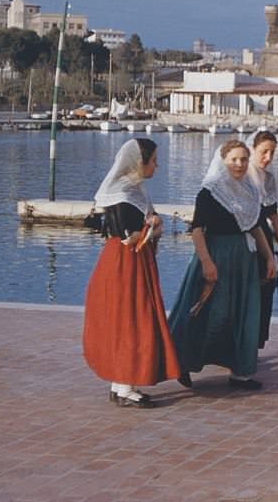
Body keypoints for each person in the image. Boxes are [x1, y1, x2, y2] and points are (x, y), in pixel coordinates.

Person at [168, 140, 277, 390]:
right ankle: (180, 362)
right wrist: (206, 262)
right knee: (204, 313)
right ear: (223, 161)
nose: (239, 164)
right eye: (234, 160)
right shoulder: (210, 191)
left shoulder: (250, 189)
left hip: (244, 259)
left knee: (242, 313)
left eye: (243, 159)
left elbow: (255, 225)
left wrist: (269, 257)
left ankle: (240, 372)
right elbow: (197, 230)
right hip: (216, 254)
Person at [83, 138, 182, 408]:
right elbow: (128, 237)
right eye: (154, 161)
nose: (157, 166)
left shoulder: (130, 190)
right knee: (132, 318)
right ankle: (125, 386)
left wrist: (151, 226)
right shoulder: (124, 195)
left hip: (124, 261)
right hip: (126, 263)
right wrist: (153, 225)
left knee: (128, 318)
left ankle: (121, 384)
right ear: (140, 163)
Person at [246, 130, 278, 348]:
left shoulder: (269, 179)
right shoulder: (243, 175)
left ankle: (255, 342)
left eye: (272, 153)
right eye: (264, 152)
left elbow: (274, 215)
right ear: (253, 149)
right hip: (247, 239)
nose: (268, 158)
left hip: (265, 236)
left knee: (266, 289)